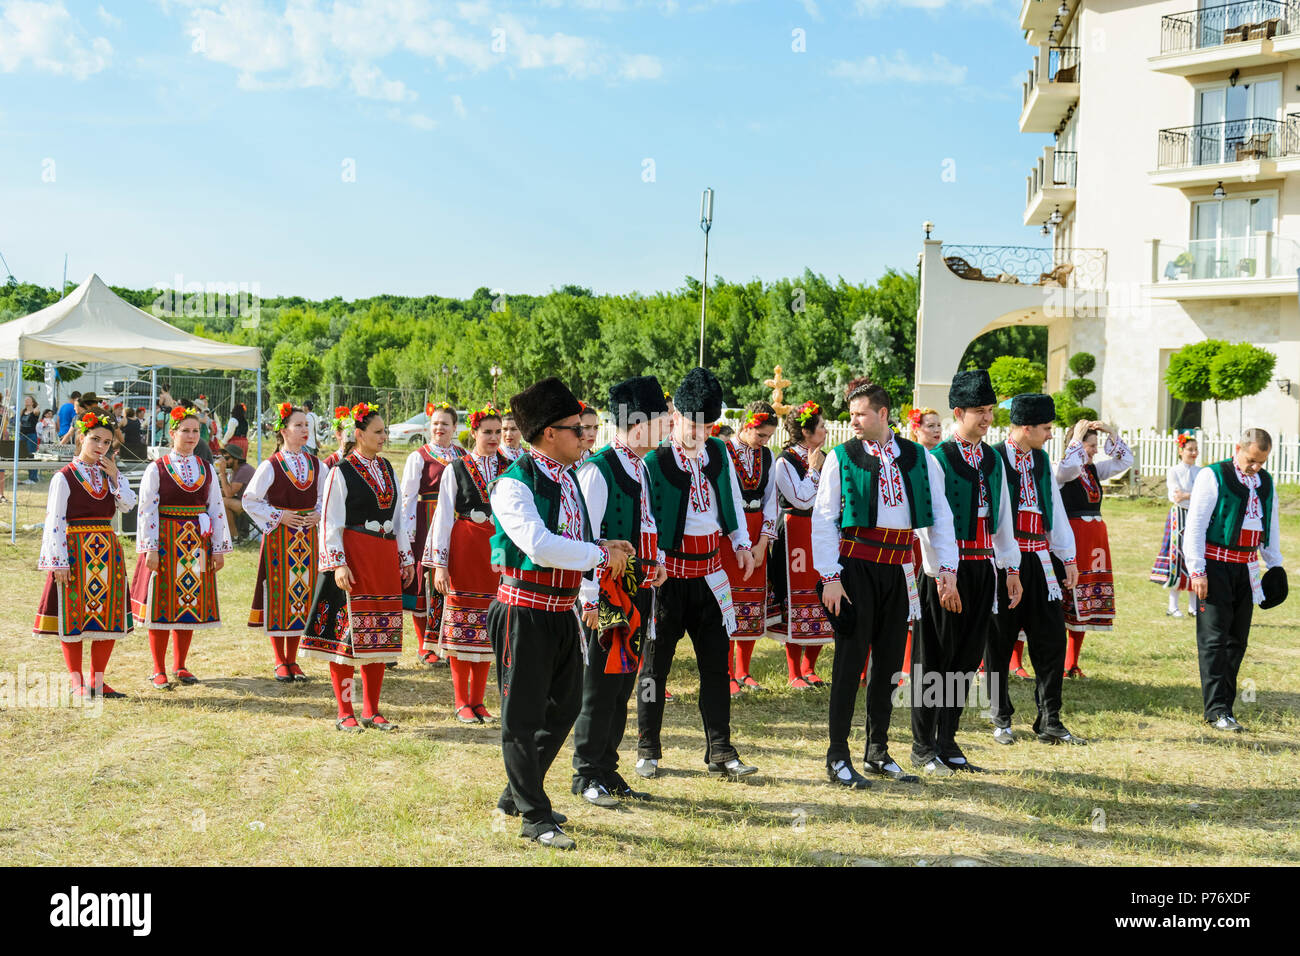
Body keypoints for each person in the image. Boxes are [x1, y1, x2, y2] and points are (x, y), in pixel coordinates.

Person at [486, 377, 633, 850]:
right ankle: (534, 815)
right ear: (549, 432)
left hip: (562, 610)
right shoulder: (513, 483)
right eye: (576, 428)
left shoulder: (570, 475)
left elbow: (578, 540)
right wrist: (598, 553)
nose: (586, 436)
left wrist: (595, 572)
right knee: (521, 717)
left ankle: (516, 794)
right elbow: (540, 545)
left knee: (566, 705)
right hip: (522, 612)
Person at [812, 379, 958, 787]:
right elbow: (823, 519)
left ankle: (878, 750)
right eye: (851, 414)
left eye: (860, 414)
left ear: (882, 414)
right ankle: (837, 755)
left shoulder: (919, 458)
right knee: (850, 662)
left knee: (890, 664)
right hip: (855, 567)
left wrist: (946, 569)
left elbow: (940, 517)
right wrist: (830, 576)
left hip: (899, 568)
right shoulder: (842, 457)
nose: (853, 421)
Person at [637, 366, 760, 781]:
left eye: (709, 425)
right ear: (675, 415)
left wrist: (741, 543)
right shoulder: (653, 460)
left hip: (711, 575)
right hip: (668, 578)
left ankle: (721, 751)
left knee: (716, 666)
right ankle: (647, 748)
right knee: (655, 668)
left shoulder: (719, 453)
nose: (702, 432)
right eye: (695, 424)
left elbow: (734, 501)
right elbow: (644, 516)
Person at [909, 371, 1023, 775]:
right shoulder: (936, 458)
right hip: (944, 571)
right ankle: (923, 747)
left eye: (990, 411)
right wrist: (942, 574)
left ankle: (948, 740)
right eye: (979, 411)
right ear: (958, 412)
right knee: (934, 658)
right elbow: (926, 523)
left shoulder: (993, 458)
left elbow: (1004, 515)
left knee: (966, 659)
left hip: (982, 567)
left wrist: (1010, 567)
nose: (987, 418)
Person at [572, 377, 670, 808]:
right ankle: (586, 773)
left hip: (636, 590)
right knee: (599, 684)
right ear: (638, 424)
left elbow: (646, 523)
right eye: (661, 421)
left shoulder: (641, 466)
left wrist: (658, 560)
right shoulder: (599, 469)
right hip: (607, 595)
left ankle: (608, 769)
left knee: (623, 682)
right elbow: (584, 537)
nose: (668, 429)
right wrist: (589, 597)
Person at [301, 403, 416, 731]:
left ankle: (372, 709)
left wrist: (404, 558)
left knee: (378, 634)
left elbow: (398, 520)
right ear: (359, 434)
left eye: (385, 431)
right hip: (354, 557)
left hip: (382, 557)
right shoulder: (342, 471)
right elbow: (330, 521)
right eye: (378, 432)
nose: (384, 437)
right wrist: (337, 564)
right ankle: (344, 711)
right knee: (347, 636)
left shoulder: (389, 469)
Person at [984, 393, 1084, 746]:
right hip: (1001, 562)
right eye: (1046, 428)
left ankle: (1050, 719)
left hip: (1040, 561)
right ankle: (1000, 717)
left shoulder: (1041, 460)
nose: (1051, 433)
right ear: (1026, 427)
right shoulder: (992, 458)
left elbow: (1053, 510)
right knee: (999, 639)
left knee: (1052, 639)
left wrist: (1067, 556)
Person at [1185, 428, 1286, 733]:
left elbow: (1271, 524)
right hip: (1215, 565)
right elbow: (1196, 525)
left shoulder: (1265, 482)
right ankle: (1215, 710)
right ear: (1238, 447)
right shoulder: (1212, 476)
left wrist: (1276, 565)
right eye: (1251, 459)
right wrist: (1197, 570)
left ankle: (1225, 706)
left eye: (1261, 462)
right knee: (1214, 641)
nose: (1255, 467)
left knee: (1237, 640)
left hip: (1247, 568)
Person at [35, 409, 138, 699]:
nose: (100, 447)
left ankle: (98, 680)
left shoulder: (108, 475)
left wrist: (116, 476)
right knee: (74, 615)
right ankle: (77, 681)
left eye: (106, 442)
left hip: (107, 551)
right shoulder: (64, 476)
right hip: (75, 550)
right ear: (82, 437)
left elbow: (128, 505)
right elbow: (54, 521)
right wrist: (58, 561)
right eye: (95, 439)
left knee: (107, 616)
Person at [130, 404, 233, 690]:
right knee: (161, 605)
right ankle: (158, 668)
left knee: (189, 603)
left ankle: (180, 665)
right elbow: (147, 509)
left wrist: (218, 547)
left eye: (196, 431)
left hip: (195, 545)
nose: (191, 436)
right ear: (172, 433)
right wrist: (150, 547)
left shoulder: (206, 468)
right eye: (185, 431)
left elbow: (215, 509)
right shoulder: (157, 468)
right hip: (165, 542)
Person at [424, 406, 510, 723]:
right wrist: (440, 565)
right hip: (464, 551)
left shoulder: (510, 467)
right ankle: (461, 700)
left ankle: (478, 700)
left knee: (489, 627)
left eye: (497, 432)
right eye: (487, 432)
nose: (493, 438)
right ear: (473, 433)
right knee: (462, 626)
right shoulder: (456, 468)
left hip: (495, 555)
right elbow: (443, 518)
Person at [242, 403, 327, 683]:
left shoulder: (317, 464)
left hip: (308, 537)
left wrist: (317, 514)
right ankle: (280, 660)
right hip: (280, 538)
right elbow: (250, 500)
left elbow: (326, 499)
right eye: (298, 425)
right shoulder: (271, 464)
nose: (304, 430)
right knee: (280, 596)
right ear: (283, 430)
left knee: (303, 595)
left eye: (307, 425)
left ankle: (294, 659)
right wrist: (279, 516)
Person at [1057, 417, 1133, 677]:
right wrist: (1077, 438)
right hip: (1072, 541)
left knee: (1087, 599)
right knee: (1063, 597)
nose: (1095, 450)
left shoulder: (1094, 470)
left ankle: (1072, 662)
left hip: (1094, 545)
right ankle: (1017, 662)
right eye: (1091, 445)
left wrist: (1111, 431)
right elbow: (1066, 469)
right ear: (1077, 444)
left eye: (1095, 445)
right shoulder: (1061, 470)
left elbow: (1124, 461)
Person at [770, 400, 836, 688]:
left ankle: (810, 667)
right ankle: (793, 672)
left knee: (821, 598)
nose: (826, 429)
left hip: (821, 530)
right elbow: (800, 499)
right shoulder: (784, 461)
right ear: (807, 432)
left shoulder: (827, 457)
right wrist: (814, 471)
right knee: (796, 598)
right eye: (821, 425)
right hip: (795, 532)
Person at [400, 402, 465, 667]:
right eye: (435, 423)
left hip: (456, 524)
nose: (439, 428)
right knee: (425, 583)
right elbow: (407, 497)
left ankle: (450, 641)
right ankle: (425, 645)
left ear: (454, 428)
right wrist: (409, 534)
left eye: (445, 424)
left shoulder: (463, 455)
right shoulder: (420, 456)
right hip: (426, 522)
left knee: (453, 582)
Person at [722, 401, 779, 696]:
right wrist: (738, 539)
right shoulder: (723, 452)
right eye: (761, 435)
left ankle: (744, 669)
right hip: (729, 531)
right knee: (729, 600)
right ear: (747, 426)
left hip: (757, 530)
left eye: (768, 437)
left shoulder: (767, 456)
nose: (764, 442)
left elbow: (772, 499)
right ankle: (727, 671)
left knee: (752, 600)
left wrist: (762, 543)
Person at [1151, 434, 1203, 617]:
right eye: (1190, 449)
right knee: (1177, 556)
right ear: (1181, 451)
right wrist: (1191, 494)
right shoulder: (1174, 471)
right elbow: (1175, 495)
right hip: (1178, 515)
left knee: (1194, 554)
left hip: (1195, 515)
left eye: (1196, 449)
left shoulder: (1201, 472)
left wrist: (1188, 495)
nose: (1194, 452)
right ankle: (1173, 605)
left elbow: (1201, 494)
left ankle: (1193, 606)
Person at [215, 444, 257, 540]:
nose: (224, 461)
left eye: (227, 458)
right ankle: (233, 535)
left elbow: (229, 493)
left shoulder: (243, 470)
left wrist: (222, 473)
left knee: (223, 502)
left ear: (236, 459)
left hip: (255, 505)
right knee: (220, 499)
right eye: (223, 457)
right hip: (247, 501)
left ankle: (234, 537)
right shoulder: (237, 470)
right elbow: (228, 491)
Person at [322, 405, 353, 469]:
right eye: (349, 431)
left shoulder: (364, 460)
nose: (354, 436)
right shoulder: (329, 464)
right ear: (339, 434)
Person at [19, 395, 40, 483]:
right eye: (25, 400)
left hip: (31, 436)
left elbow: (37, 411)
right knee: (23, 455)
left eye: (28, 400)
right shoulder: (23, 411)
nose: (26, 401)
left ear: (32, 402)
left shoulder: (35, 411)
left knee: (31, 455)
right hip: (22, 435)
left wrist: (36, 405)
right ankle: (30, 475)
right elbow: (21, 423)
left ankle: (33, 478)